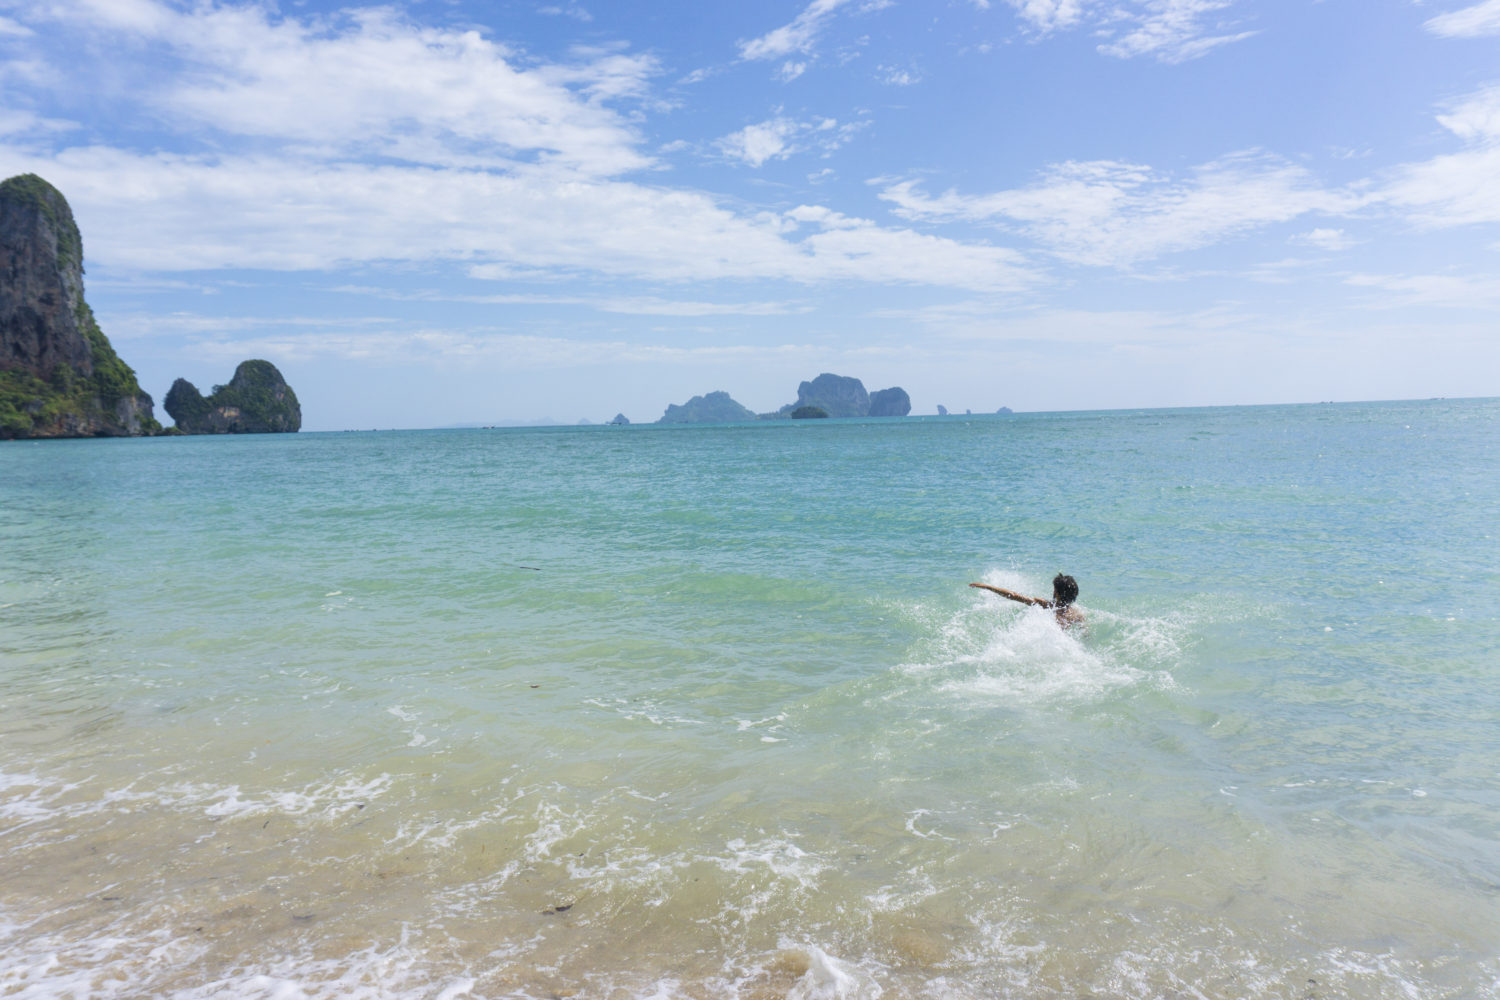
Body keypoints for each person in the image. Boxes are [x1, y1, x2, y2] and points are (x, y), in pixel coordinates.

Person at [969, 574, 1084, 629]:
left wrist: (987, 586)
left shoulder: (1046, 605)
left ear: (1057, 593)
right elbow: (1085, 634)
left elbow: (1013, 596)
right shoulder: (1077, 614)